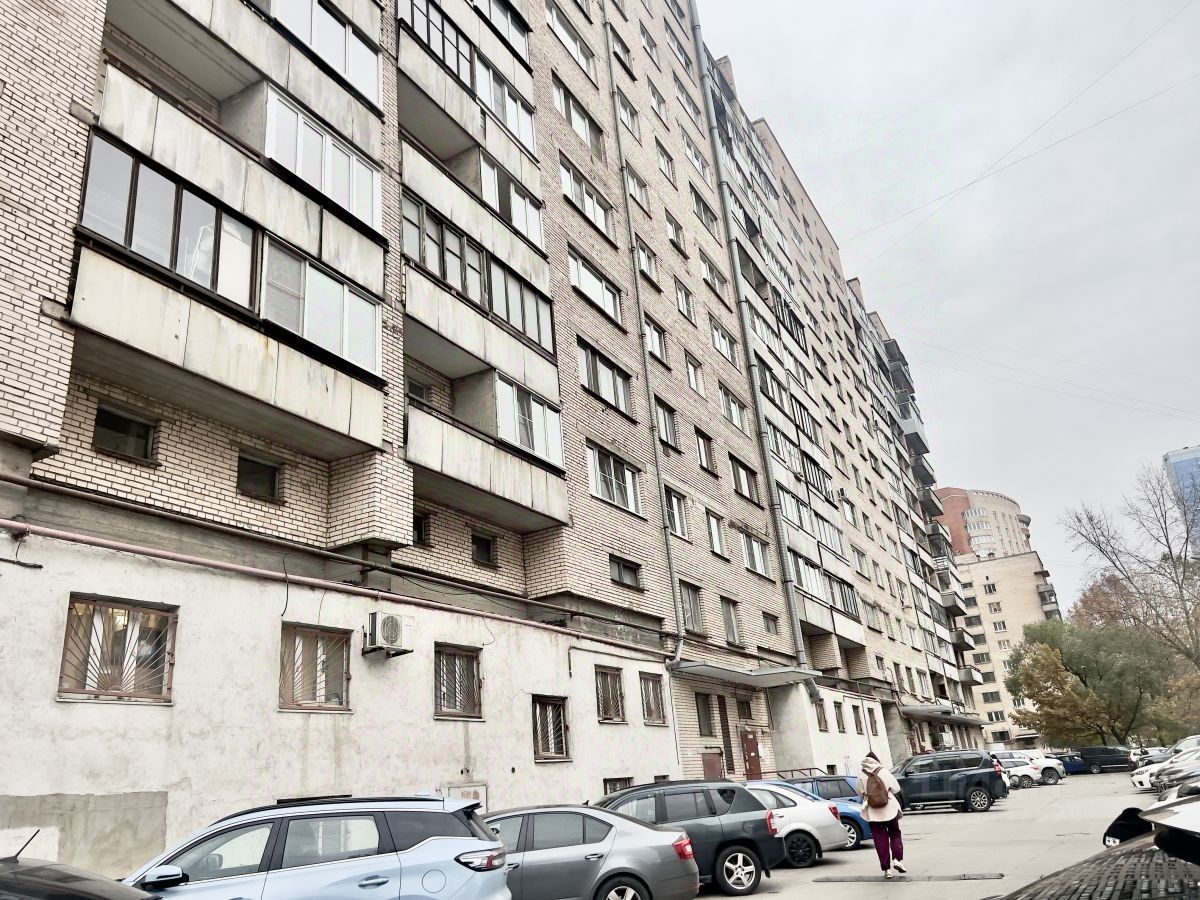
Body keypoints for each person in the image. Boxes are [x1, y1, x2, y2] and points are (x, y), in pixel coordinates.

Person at [858, 753, 907, 878]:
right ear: (876, 760)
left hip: (873, 812)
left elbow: (859, 792)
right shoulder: (884, 771)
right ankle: (897, 859)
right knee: (895, 833)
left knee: (880, 839)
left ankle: (887, 869)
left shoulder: (862, 774)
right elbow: (896, 788)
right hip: (889, 808)